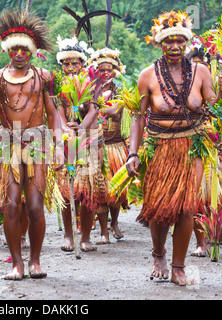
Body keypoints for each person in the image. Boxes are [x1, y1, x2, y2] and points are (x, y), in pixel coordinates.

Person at [127, 10, 222, 286]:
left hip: (192, 146)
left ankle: (178, 267)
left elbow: (214, 108)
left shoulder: (201, 72)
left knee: (186, 206)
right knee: (159, 208)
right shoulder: (147, 76)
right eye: (168, 41)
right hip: (160, 147)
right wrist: (133, 153)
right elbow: (138, 119)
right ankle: (158, 254)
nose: (174, 47)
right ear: (159, 43)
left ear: (186, 43)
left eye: (179, 41)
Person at [0, 9, 62, 280]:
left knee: (33, 206)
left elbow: (53, 114)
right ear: (8, 51)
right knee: (10, 206)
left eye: (24, 48)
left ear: (32, 51)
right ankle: (16, 263)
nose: (19, 53)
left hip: (37, 142)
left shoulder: (43, 76)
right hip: (7, 143)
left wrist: (60, 148)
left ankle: (35, 261)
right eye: (15, 48)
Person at [53, 35, 95, 252]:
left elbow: (95, 110)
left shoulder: (91, 83)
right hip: (67, 141)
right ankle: (68, 235)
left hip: (89, 143)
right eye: (66, 64)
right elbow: (58, 112)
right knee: (67, 191)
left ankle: (85, 237)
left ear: (82, 64)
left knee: (88, 192)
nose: (70, 67)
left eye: (74, 63)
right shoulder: (59, 87)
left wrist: (81, 127)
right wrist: (66, 131)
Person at [89, 47, 128, 243]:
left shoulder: (120, 91)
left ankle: (115, 223)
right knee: (100, 191)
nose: (105, 73)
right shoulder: (89, 90)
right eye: (101, 70)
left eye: (109, 70)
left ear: (115, 71)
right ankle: (104, 231)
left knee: (116, 190)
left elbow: (114, 111)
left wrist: (97, 107)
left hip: (116, 147)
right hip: (97, 146)